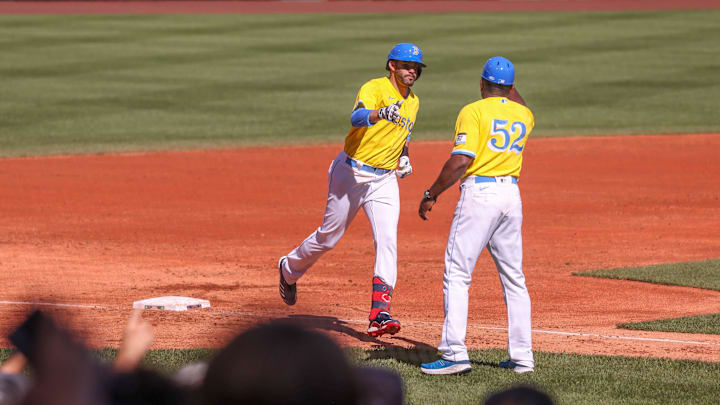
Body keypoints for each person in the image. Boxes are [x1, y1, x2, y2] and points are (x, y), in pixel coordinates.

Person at [278, 43, 425, 337]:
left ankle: (379, 312)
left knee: (387, 241)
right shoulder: (373, 88)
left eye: (416, 67)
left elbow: (402, 135)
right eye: (406, 65)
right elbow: (356, 117)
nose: (412, 71)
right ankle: (288, 268)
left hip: (384, 181)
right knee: (328, 237)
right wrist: (379, 113)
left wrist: (404, 156)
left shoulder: (414, 102)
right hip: (351, 173)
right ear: (391, 66)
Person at [418, 56, 535, 375]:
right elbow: (515, 99)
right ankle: (523, 357)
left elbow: (460, 161)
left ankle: (454, 353)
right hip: (511, 197)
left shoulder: (473, 110)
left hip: (480, 196)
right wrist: (508, 86)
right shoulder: (525, 114)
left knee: (457, 272)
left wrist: (431, 194)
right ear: (510, 87)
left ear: (482, 83)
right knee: (514, 277)